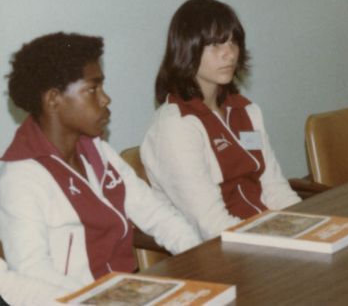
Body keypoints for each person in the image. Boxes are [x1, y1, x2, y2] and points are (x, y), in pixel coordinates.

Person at [0, 33, 200, 295]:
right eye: (92, 89)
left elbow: (157, 215)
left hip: (127, 291)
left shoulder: (99, 152)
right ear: (53, 99)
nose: (105, 99)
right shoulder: (21, 177)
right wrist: (105, 299)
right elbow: (33, 274)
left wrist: (200, 257)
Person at [141, 0, 300, 240]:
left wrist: (306, 227)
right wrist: (275, 240)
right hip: (221, 252)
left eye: (233, 41)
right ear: (187, 49)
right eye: (214, 45)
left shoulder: (246, 111)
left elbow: (275, 187)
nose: (229, 54)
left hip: (264, 236)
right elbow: (211, 225)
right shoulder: (175, 126)